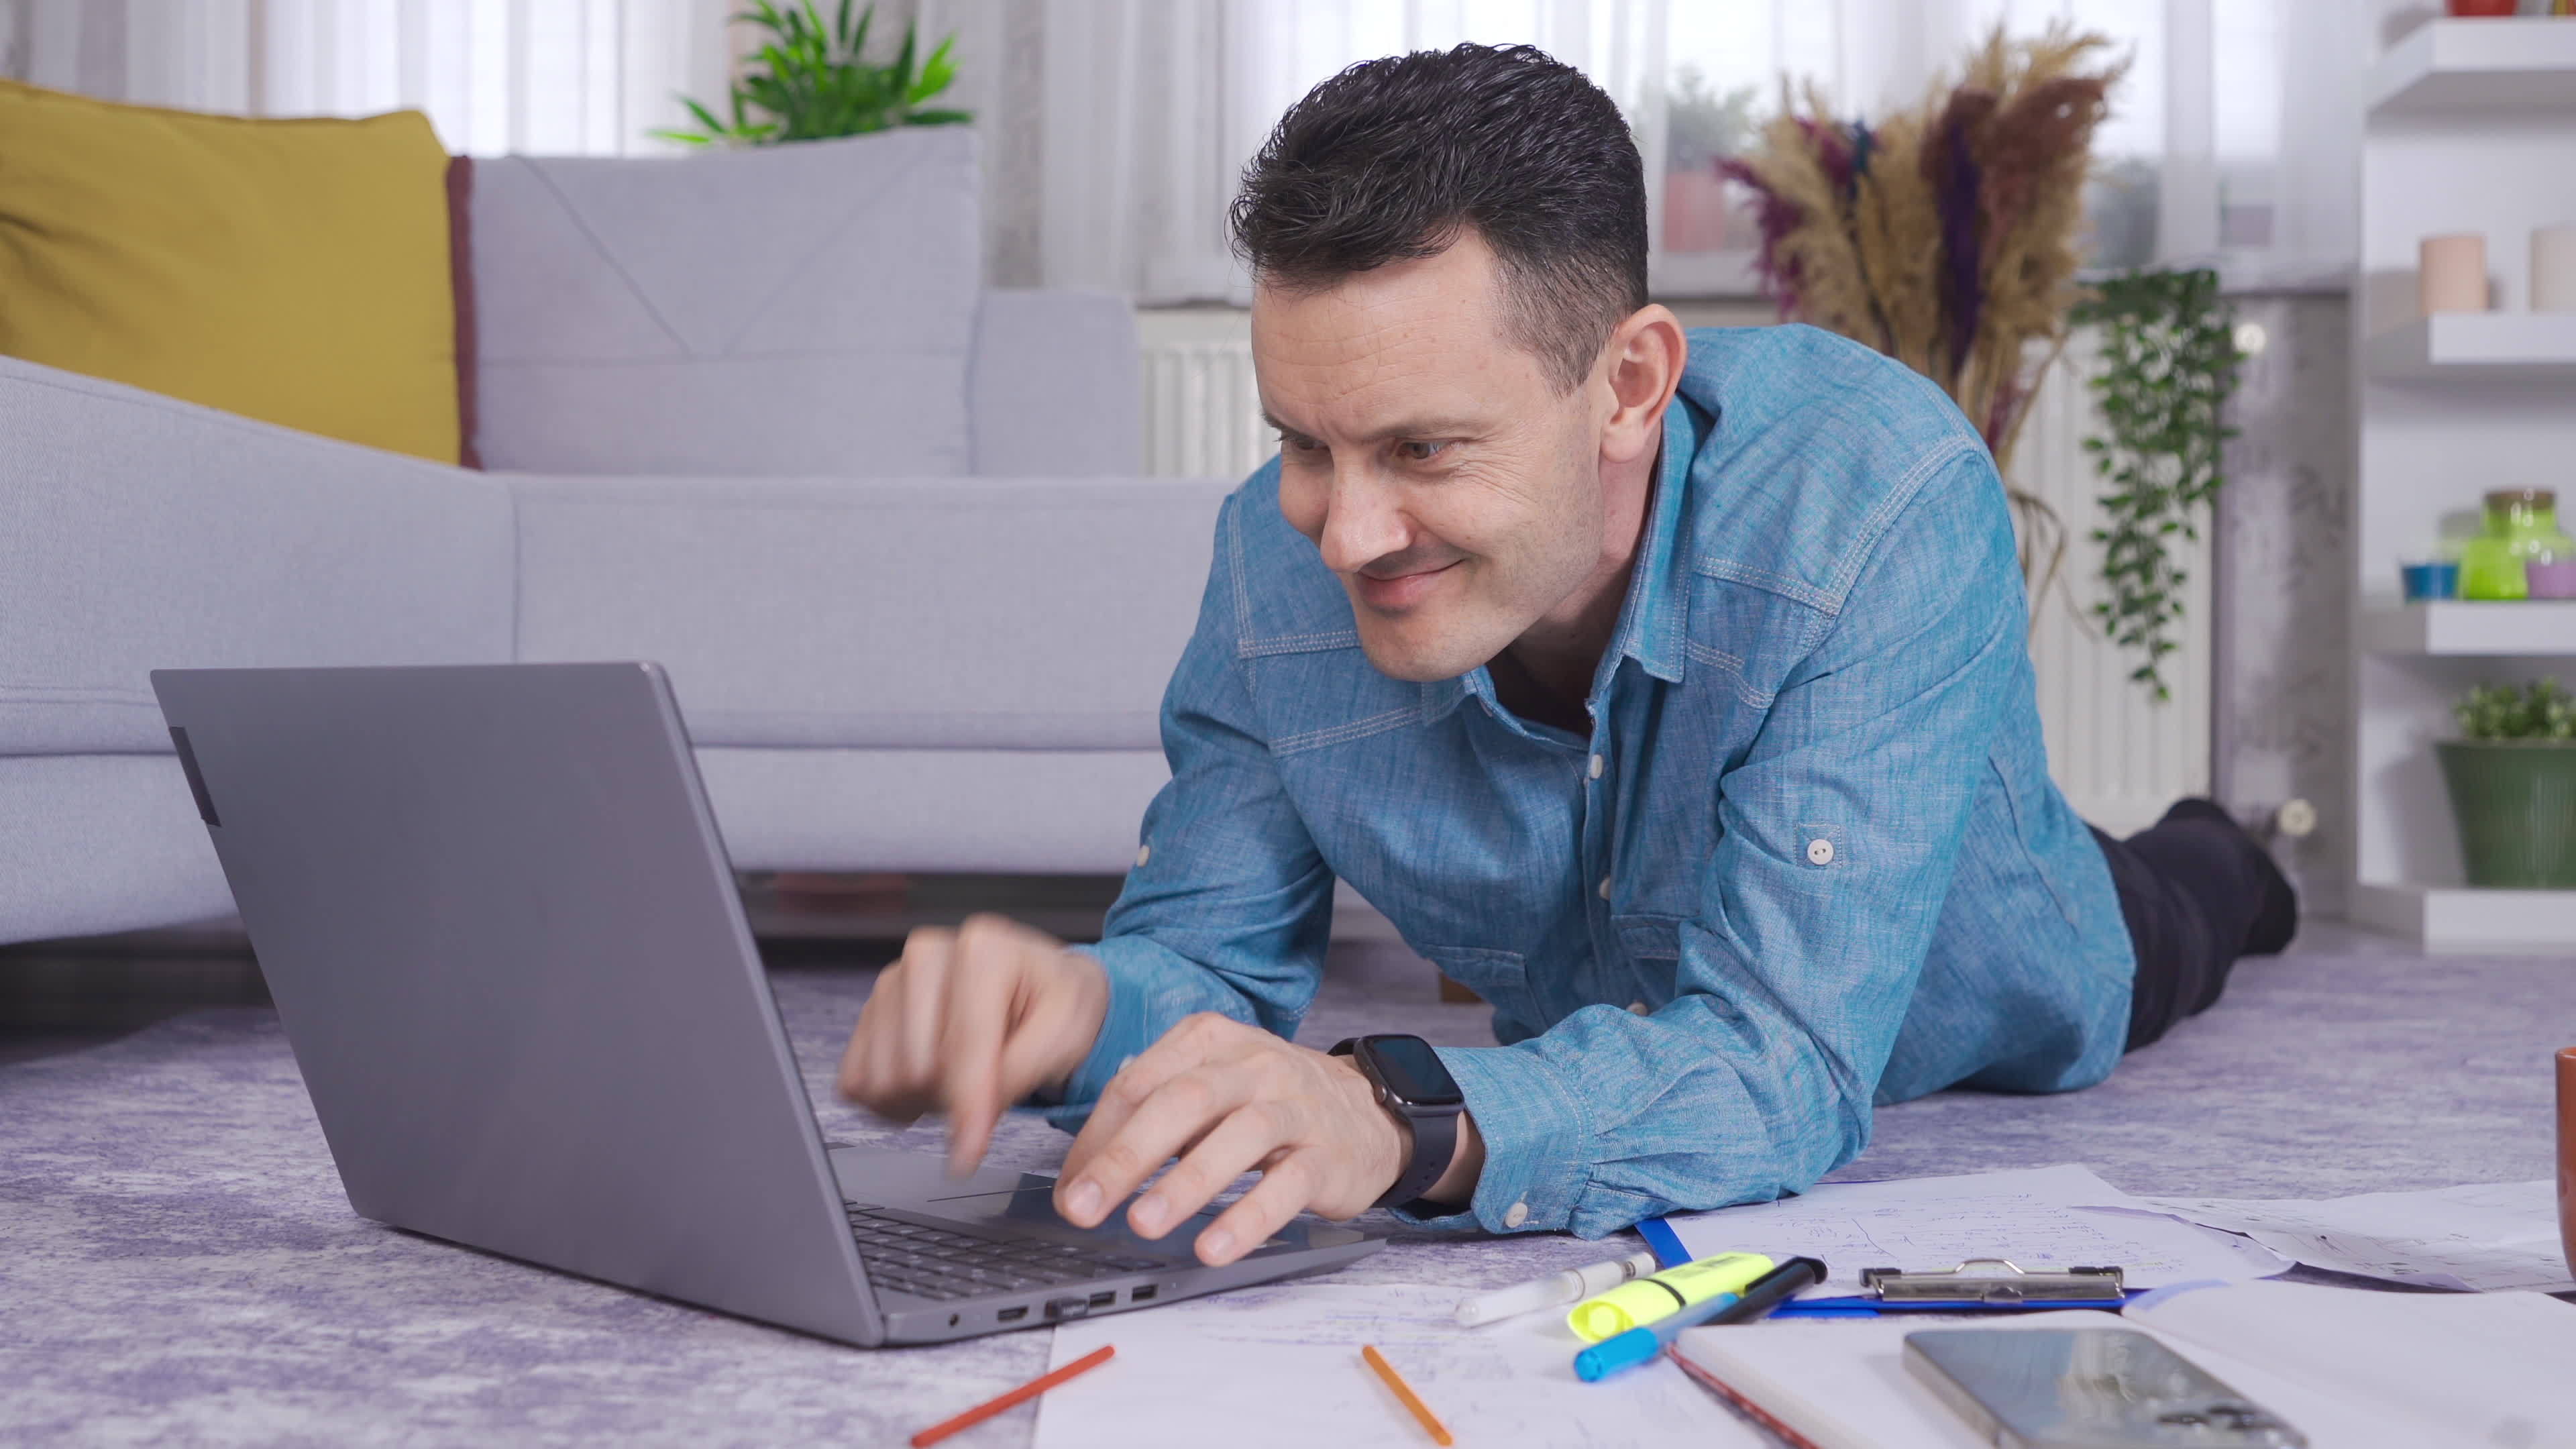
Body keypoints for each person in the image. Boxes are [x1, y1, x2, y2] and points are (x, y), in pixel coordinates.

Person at [835, 44, 2294, 1267]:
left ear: (1632, 386)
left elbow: (1781, 1061)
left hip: (2010, 961)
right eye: (1302, 442)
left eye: (1423, 448)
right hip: (1634, 1008)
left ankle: (2231, 855)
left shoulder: (1880, 498)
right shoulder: (1269, 563)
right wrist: (1086, 1008)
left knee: (2189, 896)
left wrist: (1392, 1116)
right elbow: (1208, 963)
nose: (1342, 533)